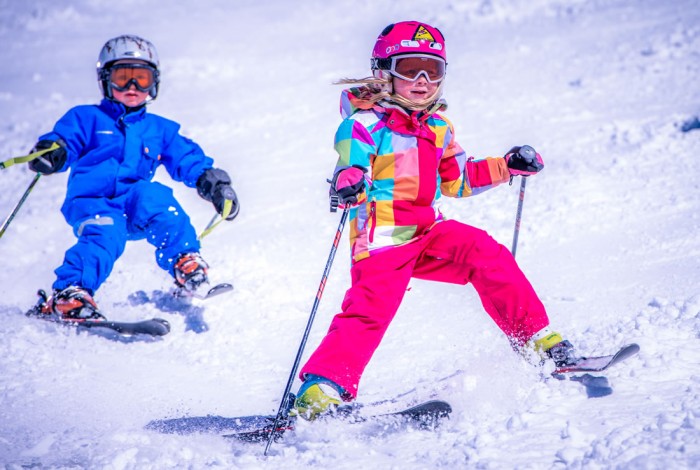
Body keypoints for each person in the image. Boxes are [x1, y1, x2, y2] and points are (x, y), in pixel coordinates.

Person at [292, 21, 576, 420]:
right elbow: (351, 161)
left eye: (434, 70)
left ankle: (538, 342)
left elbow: (458, 180)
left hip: (428, 232)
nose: (423, 81)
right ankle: (320, 391)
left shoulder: (438, 128)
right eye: (410, 69)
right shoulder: (364, 125)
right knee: (370, 310)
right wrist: (350, 178)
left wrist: (508, 167)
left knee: (485, 254)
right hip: (382, 240)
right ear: (383, 73)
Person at [27, 35, 239, 320]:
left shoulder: (159, 128)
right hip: (94, 203)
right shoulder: (86, 118)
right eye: (122, 77)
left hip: (134, 202)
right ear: (105, 80)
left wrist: (213, 182)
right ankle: (71, 292)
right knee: (106, 233)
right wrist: (54, 152)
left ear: (154, 83)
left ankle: (186, 263)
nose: (132, 87)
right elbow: (65, 139)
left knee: (158, 199)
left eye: (142, 78)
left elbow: (186, 157)